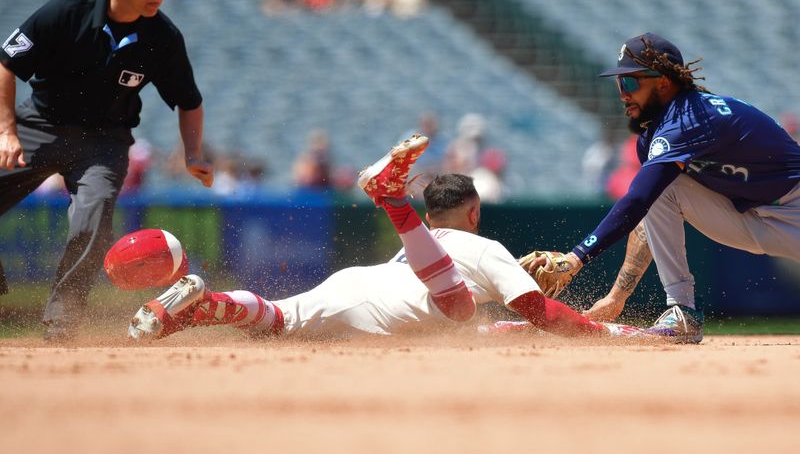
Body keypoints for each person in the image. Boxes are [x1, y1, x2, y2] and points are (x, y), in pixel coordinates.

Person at [128, 136, 654, 342]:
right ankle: (392, 199)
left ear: (435, 214)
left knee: (274, 318)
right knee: (462, 309)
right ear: (474, 212)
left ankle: (199, 304)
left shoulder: (422, 249)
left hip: (359, 283)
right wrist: (618, 333)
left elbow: (511, 329)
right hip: (413, 302)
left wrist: (518, 318)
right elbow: (545, 315)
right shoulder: (488, 249)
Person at [522, 33, 800, 343]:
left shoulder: (691, 117)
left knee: (654, 188)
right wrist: (617, 297)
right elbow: (649, 207)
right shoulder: (658, 135)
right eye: (619, 84)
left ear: (664, 83)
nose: (623, 94)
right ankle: (683, 311)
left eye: (629, 83)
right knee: (665, 189)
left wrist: (576, 257)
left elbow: (637, 199)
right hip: (751, 217)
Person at [0, 0, 214, 341]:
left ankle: (61, 326)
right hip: (40, 126)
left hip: (104, 142)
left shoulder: (163, 37)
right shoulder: (66, 11)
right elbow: (7, 64)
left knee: (92, 223)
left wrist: (193, 154)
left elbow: (189, 100)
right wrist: (7, 131)